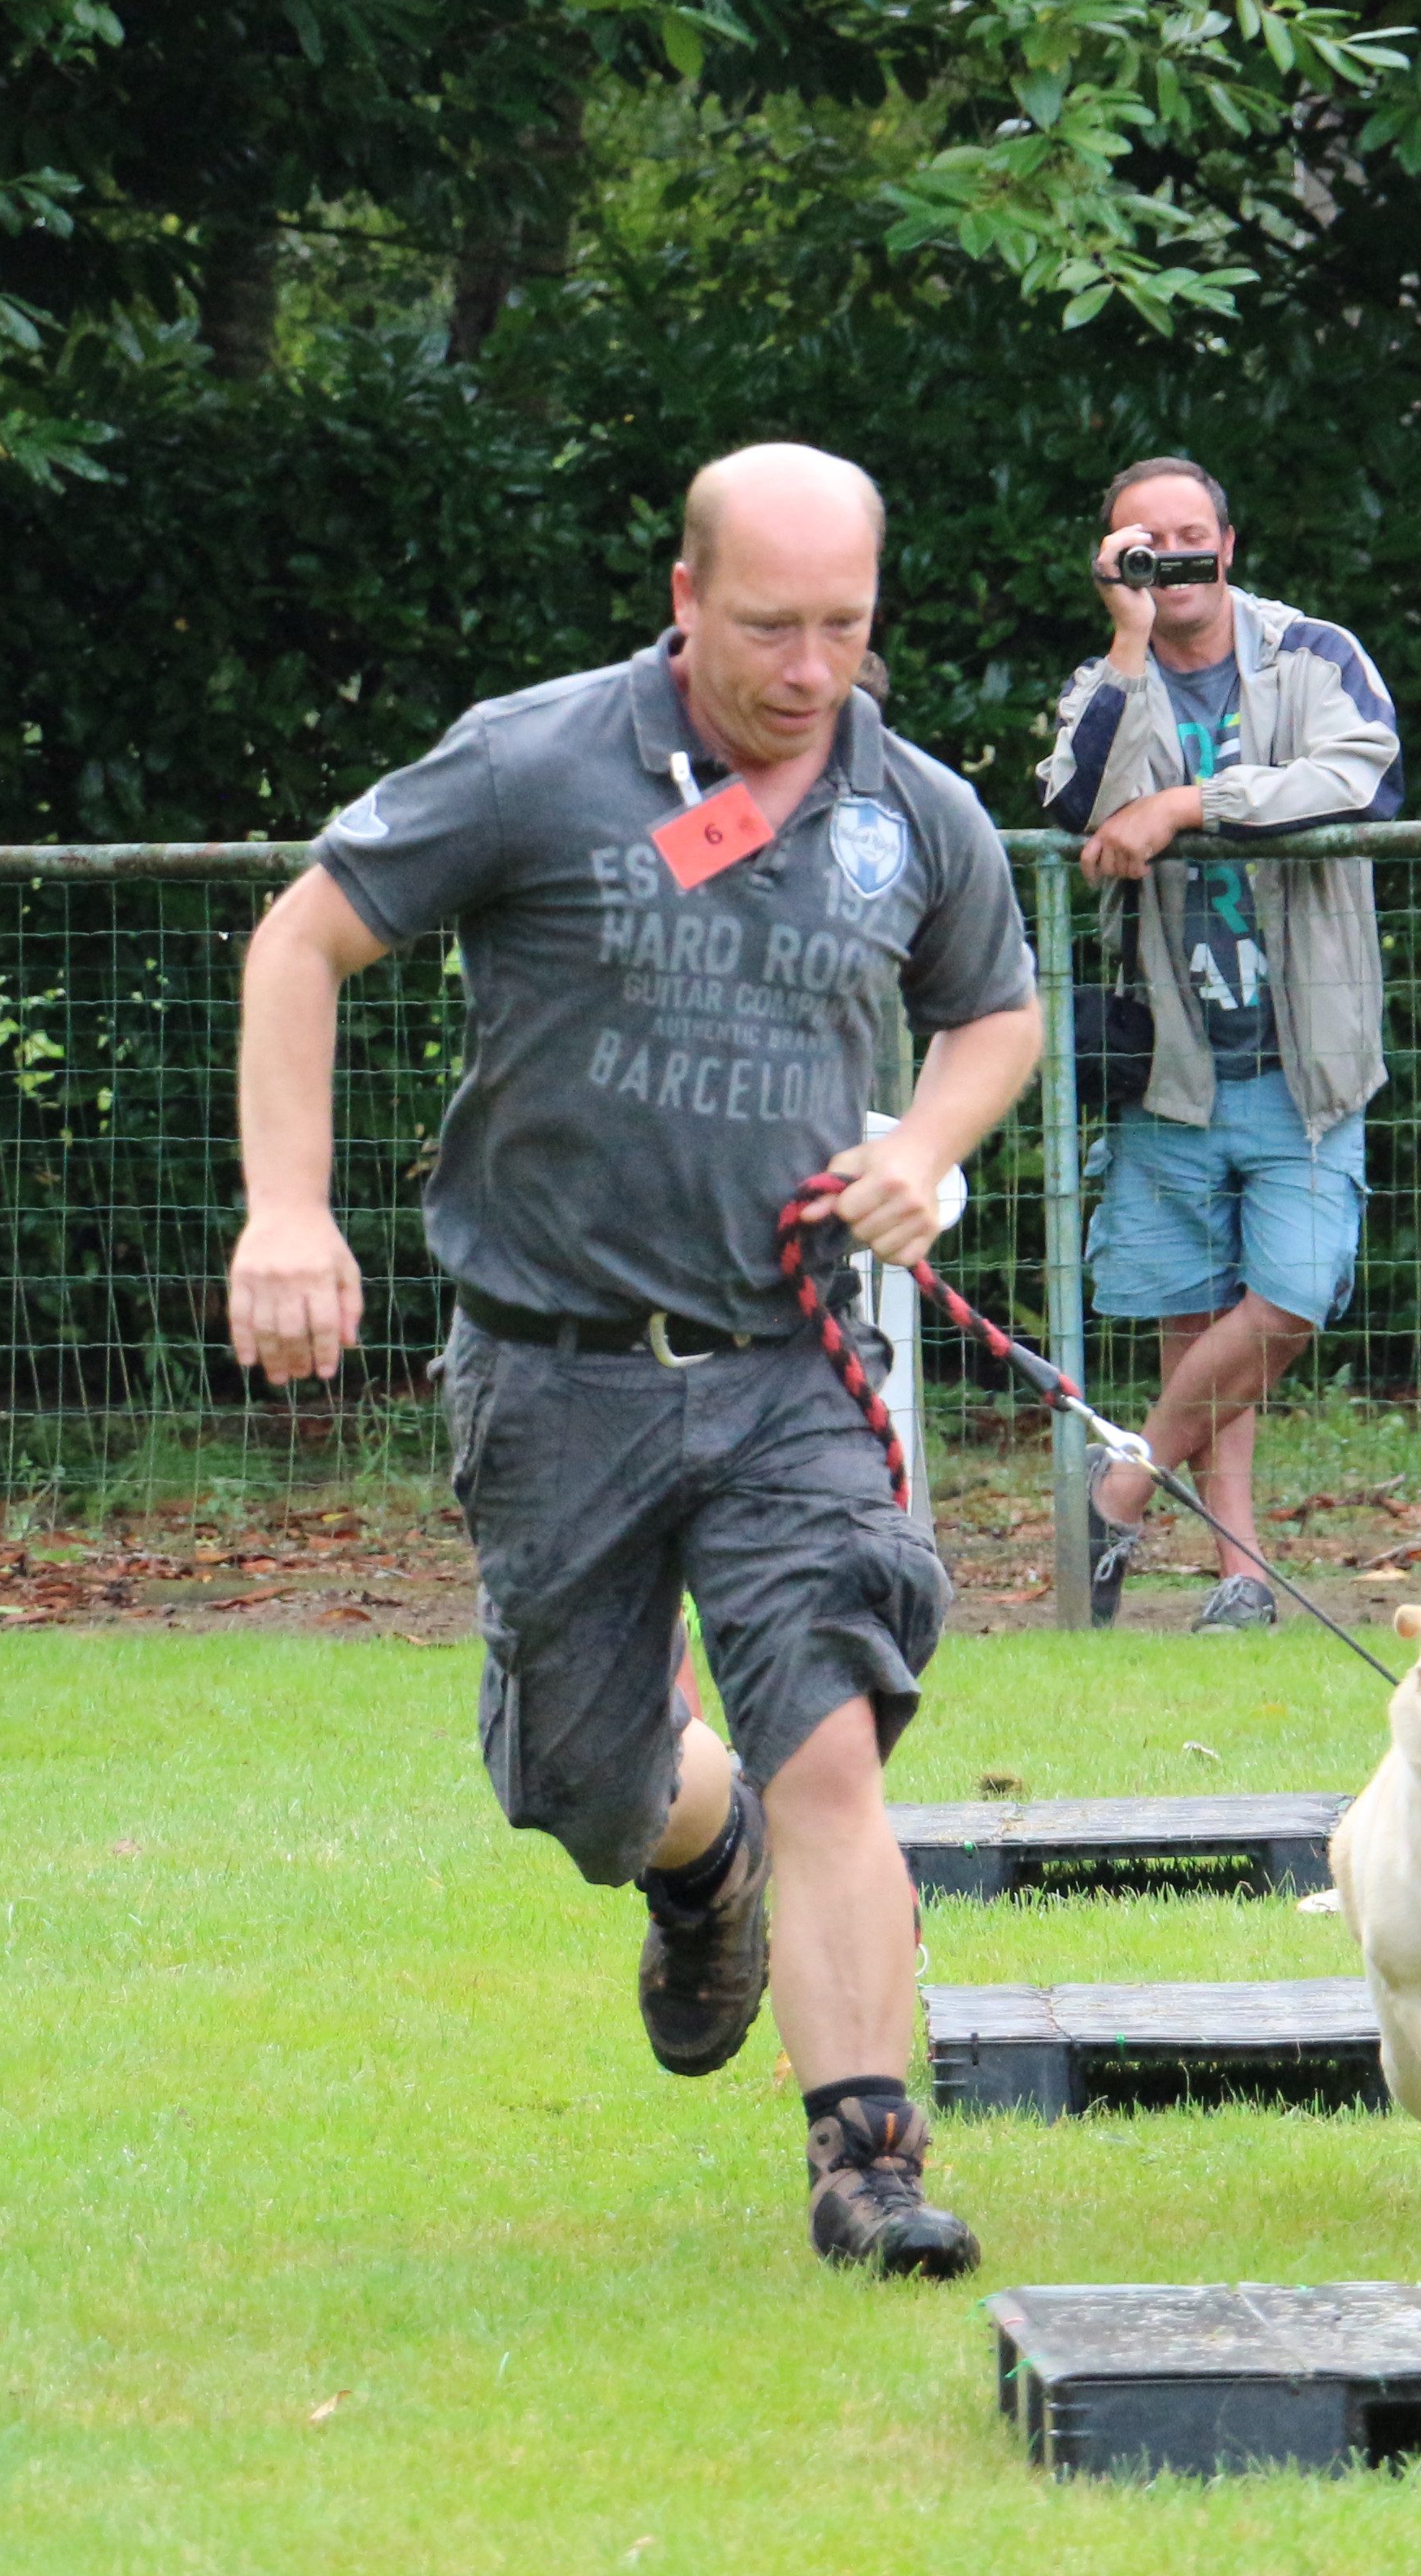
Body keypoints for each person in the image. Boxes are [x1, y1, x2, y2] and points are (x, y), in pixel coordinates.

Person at [226, 445, 1041, 2277]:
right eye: (769, 627)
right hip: (558, 1368)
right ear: (685, 599)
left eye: (845, 627)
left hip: (790, 1358)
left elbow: (995, 1012)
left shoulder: (915, 810)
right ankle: (696, 1848)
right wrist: (287, 1211)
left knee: (829, 1748)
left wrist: (923, 1150)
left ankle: (869, 2164)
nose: (810, 670)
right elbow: (302, 939)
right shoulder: (533, 763)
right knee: (586, 1785)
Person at [1038, 455, 1402, 1628]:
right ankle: (1240, 1579)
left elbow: (1361, 779)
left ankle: (1120, 1490)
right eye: (1144, 546)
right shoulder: (1105, 680)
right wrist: (1128, 642)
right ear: (1114, 562)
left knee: (1289, 1300)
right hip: (1172, 1063)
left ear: (1230, 545)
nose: (1175, 559)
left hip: (1308, 1061)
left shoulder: (1315, 654)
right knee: (1195, 1322)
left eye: (1192, 536)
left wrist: (1186, 806)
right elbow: (1073, 803)